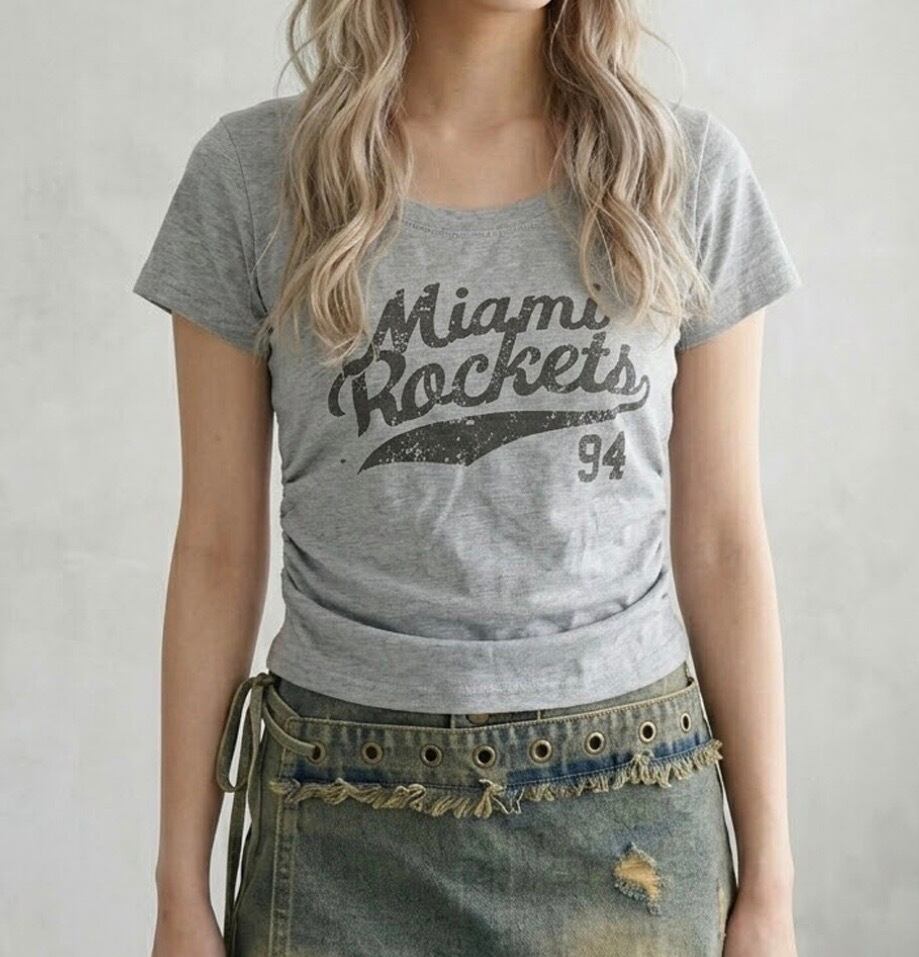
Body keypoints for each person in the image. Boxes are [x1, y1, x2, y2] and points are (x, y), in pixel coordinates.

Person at [134, 2, 802, 955]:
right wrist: (178, 890)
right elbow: (216, 547)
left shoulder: (684, 172)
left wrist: (769, 885)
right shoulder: (252, 176)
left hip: (628, 818)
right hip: (339, 815)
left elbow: (723, 541)